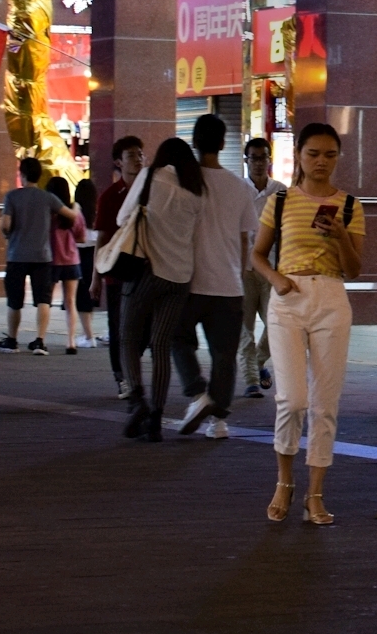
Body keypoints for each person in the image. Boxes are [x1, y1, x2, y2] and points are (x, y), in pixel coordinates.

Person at [253, 121, 364, 526]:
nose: (321, 162)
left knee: (324, 404)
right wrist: (277, 280)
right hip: (288, 298)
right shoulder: (281, 201)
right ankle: (285, 482)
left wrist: (339, 236)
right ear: (298, 154)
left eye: (330, 155)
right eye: (313, 154)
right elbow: (258, 255)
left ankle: (315, 493)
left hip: (333, 299)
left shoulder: (350, 205)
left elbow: (353, 269)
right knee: (293, 399)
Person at [171, 113, 260, 441]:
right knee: (225, 355)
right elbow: (243, 240)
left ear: (194, 142)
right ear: (224, 144)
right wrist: (239, 275)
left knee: (175, 337)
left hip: (187, 282)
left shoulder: (181, 182)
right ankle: (218, 421)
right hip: (228, 285)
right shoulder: (240, 187)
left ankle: (198, 393)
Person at [117, 136, 206, 442]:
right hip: (179, 278)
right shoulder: (195, 191)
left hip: (146, 272)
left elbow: (122, 218)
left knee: (128, 336)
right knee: (160, 346)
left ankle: (137, 400)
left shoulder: (149, 176)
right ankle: (156, 416)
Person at [0, 158, 76, 354]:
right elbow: (70, 215)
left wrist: (7, 233)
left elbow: (6, 225)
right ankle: (40, 341)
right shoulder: (47, 198)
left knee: (14, 300)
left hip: (17, 254)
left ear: (22, 175)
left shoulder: (12, 197)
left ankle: (13, 340)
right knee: (43, 299)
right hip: (42, 255)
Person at [95, 137, 146, 396]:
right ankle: (122, 377)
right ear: (118, 162)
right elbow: (102, 238)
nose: (138, 159)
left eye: (140, 154)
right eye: (131, 155)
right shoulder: (110, 196)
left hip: (147, 270)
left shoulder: (152, 192)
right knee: (118, 327)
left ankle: (130, 364)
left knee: (145, 326)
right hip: (117, 271)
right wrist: (95, 278)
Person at [238, 136, 278, 398]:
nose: (259, 163)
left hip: (272, 268)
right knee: (245, 329)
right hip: (242, 269)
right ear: (246, 161)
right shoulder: (237, 190)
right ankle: (251, 379)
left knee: (277, 323)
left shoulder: (281, 191)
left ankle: (259, 361)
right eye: (254, 158)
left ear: (269, 160)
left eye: (263, 157)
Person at [46, 177, 86, 353]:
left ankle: (42, 337)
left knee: (45, 301)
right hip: (71, 260)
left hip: (52, 260)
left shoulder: (47, 212)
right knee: (71, 302)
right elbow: (82, 237)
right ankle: (71, 341)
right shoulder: (74, 212)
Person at [73, 178, 99, 349]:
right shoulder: (98, 210)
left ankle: (89, 337)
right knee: (89, 294)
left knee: (81, 296)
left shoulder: (76, 211)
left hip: (79, 254)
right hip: (95, 254)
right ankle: (87, 333)